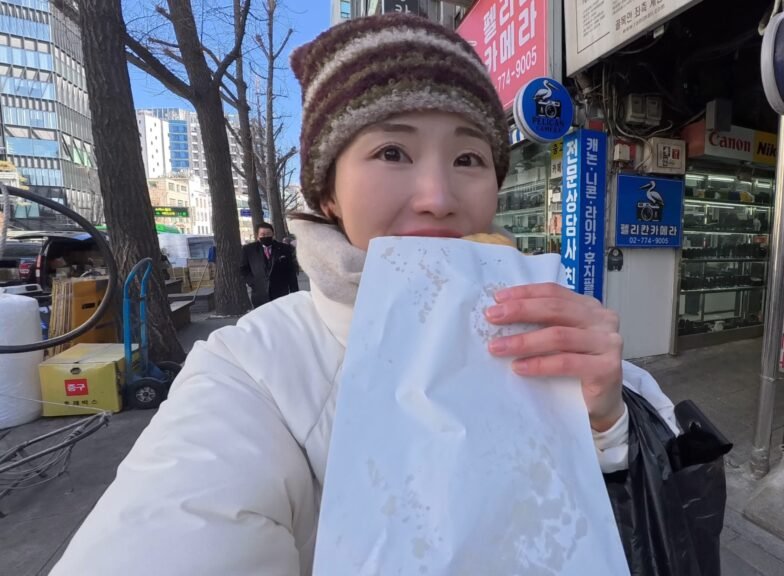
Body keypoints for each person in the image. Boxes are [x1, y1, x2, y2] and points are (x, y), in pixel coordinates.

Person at [50, 14, 679, 575]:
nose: (437, 195)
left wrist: (606, 424)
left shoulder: (563, 335)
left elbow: (673, 514)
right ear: (327, 193)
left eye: (469, 158)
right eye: (392, 151)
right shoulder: (252, 371)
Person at [240, 222, 300, 307]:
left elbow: (290, 271)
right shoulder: (248, 249)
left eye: (268, 234)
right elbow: (243, 269)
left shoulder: (284, 248)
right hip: (260, 294)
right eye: (263, 234)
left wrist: (295, 292)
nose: (265, 237)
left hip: (281, 293)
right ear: (257, 236)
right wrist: (252, 282)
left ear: (273, 234)